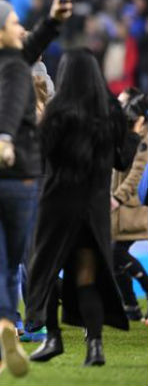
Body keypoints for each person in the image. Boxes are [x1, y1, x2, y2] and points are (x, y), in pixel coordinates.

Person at [0, 0, 72, 377]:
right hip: (18, 177)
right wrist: (4, 137)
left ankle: (0, 333)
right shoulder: (12, 68)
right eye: (12, 23)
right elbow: (7, 105)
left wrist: (52, 21)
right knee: (13, 264)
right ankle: (10, 325)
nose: (20, 28)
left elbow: (30, 46)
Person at [27, 50, 143, 366]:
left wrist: (38, 117)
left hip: (57, 204)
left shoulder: (57, 112)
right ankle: (95, 347)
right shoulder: (111, 114)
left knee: (46, 272)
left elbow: (38, 158)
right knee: (87, 277)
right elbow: (121, 161)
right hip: (93, 209)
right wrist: (133, 137)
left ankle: (52, 338)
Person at [111, 87, 148, 321]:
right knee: (114, 251)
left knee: (113, 250)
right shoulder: (123, 132)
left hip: (133, 203)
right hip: (125, 202)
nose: (120, 106)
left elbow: (137, 174)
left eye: (123, 102)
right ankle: (131, 306)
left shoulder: (142, 137)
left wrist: (118, 197)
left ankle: (142, 286)